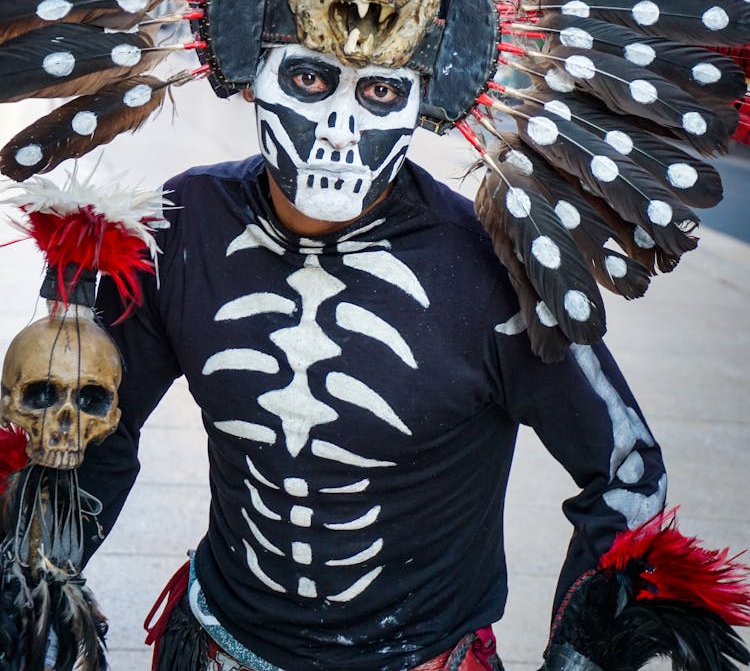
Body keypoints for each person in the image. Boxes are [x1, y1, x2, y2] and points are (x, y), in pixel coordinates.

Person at [77, 42, 667, 671]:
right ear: (251, 78)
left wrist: (579, 659)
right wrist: (34, 585)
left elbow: (627, 473)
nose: (338, 131)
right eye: (308, 78)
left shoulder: (494, 269)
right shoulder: (189, 223)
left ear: (425, 101)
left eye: (380, 91)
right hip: (216, 645)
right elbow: (89, 427)